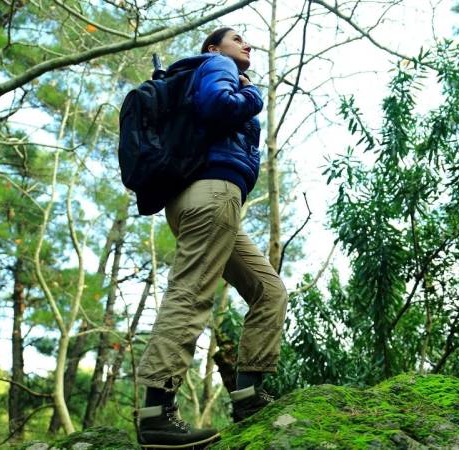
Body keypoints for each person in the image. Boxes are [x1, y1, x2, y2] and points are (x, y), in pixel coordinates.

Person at [134, 27, 289, 449]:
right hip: (212, 194)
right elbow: (219, 105)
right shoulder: (217, 67)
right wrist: (253, 95)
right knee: (191, 292)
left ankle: (248, 396)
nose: (247, 45)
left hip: (203, 200)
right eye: (237, 38)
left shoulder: (201, 73)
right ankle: (156, 413)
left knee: (269, 290)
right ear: (212, 48)